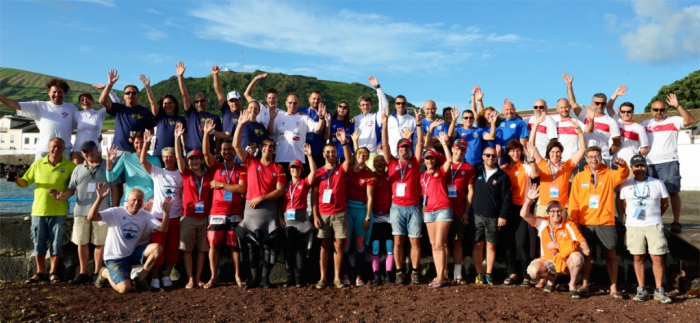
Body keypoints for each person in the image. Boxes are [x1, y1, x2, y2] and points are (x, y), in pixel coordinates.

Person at [8, 137, 76, 284]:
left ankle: (53, 272)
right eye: (53, 146)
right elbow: (25, 182)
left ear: (64, 149)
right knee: (38, 243)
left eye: (59, 147)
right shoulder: (38, 164)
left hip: (59, 211)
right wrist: (15, 179)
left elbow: (73, 188)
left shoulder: (70, 166)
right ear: (48, 147)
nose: (56, 149)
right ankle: (40, 272)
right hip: (39, 211)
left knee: (56, 243)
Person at [232, 110, 286, 289]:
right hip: (251, 211)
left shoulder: (279, 168)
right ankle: (254, 278)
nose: (268, 149)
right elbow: (236, 146)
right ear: (261, 148)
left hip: (268, 210)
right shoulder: (251, 162)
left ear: (273, 150)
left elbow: (279, 191)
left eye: (271, 147)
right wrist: (240, 125)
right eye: (266, 146)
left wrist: (261, 197)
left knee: (269, 248)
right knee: (251, 248)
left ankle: (265, 279)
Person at [569, 146, 629, 298]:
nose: (594, 159)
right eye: (590, 156)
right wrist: (574, 221)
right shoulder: (579, 177)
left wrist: (622, 165)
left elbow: (624, 174)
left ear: (601, 158)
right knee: (586, 255)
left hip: (605, 222)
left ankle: (613, 287)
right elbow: (574, 201)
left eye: (596, 156)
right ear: (586, 159)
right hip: (585, 223)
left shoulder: (609, 174)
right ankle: (584, 284)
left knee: (610, 255)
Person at [48, 140, 111, 285]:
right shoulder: (77, 169)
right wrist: (60, 196)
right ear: (82, 153)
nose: (89, 153)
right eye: (85, 152)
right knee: (82, 242)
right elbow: (71, 189)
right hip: (81, 211)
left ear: (97, 148)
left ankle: (97, 273)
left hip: (102, 212)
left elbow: (115, 186)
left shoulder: (108, 165)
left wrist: (114, 208)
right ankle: (83, 272)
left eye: (91, 150)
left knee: (99, 243)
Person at [90, 183, 172, 293]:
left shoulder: (144, 215)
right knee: (124, 289)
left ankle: (140, 279)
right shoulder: (115, 212)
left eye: (139, 201)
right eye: (134, 200)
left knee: (157, 248)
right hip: (114, 258)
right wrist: (100, 198)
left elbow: (163, 229)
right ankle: (105, 272)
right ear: (127, 200)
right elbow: (91, 217)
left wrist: (166, 212)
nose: (136, 203)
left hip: (131, 254)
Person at [98, 69, 157, 207]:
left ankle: (139, 205)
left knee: (136, 181)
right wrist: (110, 84)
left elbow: (151, 131)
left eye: (133, 93)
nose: (131, 95)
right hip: (119, 151)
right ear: (124, 96)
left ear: (138, 96)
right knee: (116, 182)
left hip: (136, 153)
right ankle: (116, 209)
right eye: (128, 93)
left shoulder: (144, 111)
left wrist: (141, 143)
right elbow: (102, 100)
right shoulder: (119, 108)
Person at [520, 185, 590, 298]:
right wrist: (529, 199)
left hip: (566, 261)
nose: (556, 214)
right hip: (550, 262)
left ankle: (572, 285)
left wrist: (559, 245)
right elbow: (523, 214)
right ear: (548, 212)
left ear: (562, 212)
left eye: (558, 211)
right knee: (532, 272)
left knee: (577, 257)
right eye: (552, 211)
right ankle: (551, 279)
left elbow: (586, 250)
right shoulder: (542, 223)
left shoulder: (569, 225)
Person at [380, 108, 425, 285]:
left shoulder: (415, 162)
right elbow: (384, 145)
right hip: (397, 207)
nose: (404, 149)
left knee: (415, 241)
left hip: (413, 206)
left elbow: (420, 143)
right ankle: (399, 272)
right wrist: (384, 125)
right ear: (398, 149)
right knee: (398, 240)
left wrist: (419, 124)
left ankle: (415, 271)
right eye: (401, 147)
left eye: (406, 147)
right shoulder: (391, 162)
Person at [620, 155, 672, 303]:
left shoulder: (658, 183)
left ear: (646, 167)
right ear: (632, 168)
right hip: (634, 225)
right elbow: (624, 204)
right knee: (638, 257)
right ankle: (641, 289)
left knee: (657, 257)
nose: (639, 169)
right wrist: (631, 217)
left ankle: (659, 290)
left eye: (642, 165)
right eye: (636, 166)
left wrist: (655, 215)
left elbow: (665, 203)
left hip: (653, 224)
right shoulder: (626, 185)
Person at [202, 119, 247, 288]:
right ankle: (214, 277)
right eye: (224, 150)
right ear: (220, 152)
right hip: (216, 213)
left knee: (235, 246)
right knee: (214, 244)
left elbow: (241, 189)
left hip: (235, 212)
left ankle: (237, 276)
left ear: (234, 152)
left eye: (229, 149)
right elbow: (206, 154)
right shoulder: (217, 166)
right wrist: (206, 134)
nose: (227, 152)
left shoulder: (241, 169)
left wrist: (221, 185)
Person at [641, 93, 695, 234]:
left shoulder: (674, 120)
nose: (659, 112)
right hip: (649, 164)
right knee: (651, 194)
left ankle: (676, 221)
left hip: (669, 162)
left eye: (662, 110)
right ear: (651, 110)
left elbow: (690, 120)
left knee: (672, 192)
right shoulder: (645, 124)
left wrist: (677, 105)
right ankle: (654, 220)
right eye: (656, 110)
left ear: (666, 110)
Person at [140, 130, 184, 289]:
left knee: (172, 247)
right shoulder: (157, 172)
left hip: (175, 216)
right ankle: (155, 276)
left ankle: (167, 276)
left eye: (171, 156)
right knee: (158, 246)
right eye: (166, 156)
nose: (168, 158)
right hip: (158, 216)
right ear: (163, 158)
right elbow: (142, 161)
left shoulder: (180, 174)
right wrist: (146, 143)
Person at [312, 127, 353, 289]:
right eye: (327, 152)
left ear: (337, 154)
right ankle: (323, 278)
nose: (330, 154)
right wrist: (315, 216)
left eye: (333, 152)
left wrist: (344, 143)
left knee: (339, 246)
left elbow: (349, 161)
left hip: (340, 213)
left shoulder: (341, 169)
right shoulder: (318, 173)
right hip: (323, 214)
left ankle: (337, 277)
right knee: (324, 246)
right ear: (323, 154)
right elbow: (314, 197)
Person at [174, 123, 213, 289]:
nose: (194, 161)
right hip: (188, 216)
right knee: (188, 249)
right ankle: (190, 278)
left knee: (203, 249)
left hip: (204, 217)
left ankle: (198, 278)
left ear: (201, 159)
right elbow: (178, 158)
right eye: (191, 159)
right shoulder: (186, 173)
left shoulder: (209, 175)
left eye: (196, 158)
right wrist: (177, 138)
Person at [0, 78, 77, 160]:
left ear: (65, 94)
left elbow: (82, 124)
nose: (57, 94)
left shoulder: (71, 108)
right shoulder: (39, 106)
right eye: (54, 92)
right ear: (49, 93)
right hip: (44, 150)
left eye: (60, 92)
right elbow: (14, 105)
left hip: (64, 150)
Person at [529, 111, 587, 215]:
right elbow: (531, 145)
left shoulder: (567, 165)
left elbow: (582, 150)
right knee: (543, 232)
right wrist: (536, 124)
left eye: (558, 152)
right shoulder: (542, 164)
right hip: (543, 206)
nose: (555, 155)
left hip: (561, 207)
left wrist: (579, 131)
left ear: (561, 153)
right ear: (548, 153)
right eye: (552, 152)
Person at [470, 146, 512, 285]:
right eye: (487, 155)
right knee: (477, 244)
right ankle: (478, 274)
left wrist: (503, 215)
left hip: (493, 215)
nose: (490, 158)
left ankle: (489, 274)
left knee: (491, 245)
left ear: (496, 157)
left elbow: (506, 197)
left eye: (493, 156)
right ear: (483, 156)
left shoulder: (502, 176)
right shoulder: (475, 171)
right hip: (477, 214)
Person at [500, 140, 539, 286]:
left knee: (522, 243)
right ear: (508, 153)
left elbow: (535, 174)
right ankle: (512, 273)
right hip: (507, 209)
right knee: (508, 243)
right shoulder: (503, 169)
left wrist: (532, 159)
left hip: (522, 208)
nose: (515, 153)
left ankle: (526, 275)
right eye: (512, 151)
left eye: (518, 151)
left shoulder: (526, 167)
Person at [420, 133, 454, 288]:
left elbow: (450, 160)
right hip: (429, 211)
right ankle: (440, 273)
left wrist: (444, 144)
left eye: (432, 158)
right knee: (434, 244)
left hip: (442, 209)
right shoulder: (422, 176)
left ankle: (441, 277)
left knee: (440, 244)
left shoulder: (440, 172)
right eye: (427, 158)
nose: (429, 161)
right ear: (424, 161)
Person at [340, 142, 375, 287]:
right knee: (346, 244)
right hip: (347, 209)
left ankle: (359, 275)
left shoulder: (369, 174)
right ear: (355, 155)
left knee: (360, 244)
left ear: (367, 158)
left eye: (364, 154)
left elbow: (370, 198)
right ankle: (345, 274)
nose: (361, 156)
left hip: (361, 210)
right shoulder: (346, 170)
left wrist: (367, 217)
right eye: (359, 153)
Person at [280, 146, 316, 288]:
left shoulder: (304, 183)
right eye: (293, 168)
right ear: (289, 170)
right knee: (288, 251)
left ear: (301, 170)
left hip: (300, 220)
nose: (295, 170)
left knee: (299, 251)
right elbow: (279, 202)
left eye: (298, 168)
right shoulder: (284, 185)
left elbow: (314, 172)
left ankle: (299, 279)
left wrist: (309, 156)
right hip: (286, 220)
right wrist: (279, 217)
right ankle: (289, 279)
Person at [442, 136, 475, 284]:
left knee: (457, 243)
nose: (459, 152)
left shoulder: (469, 168)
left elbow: (470, 191)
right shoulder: (444, 163)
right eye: (457, 149)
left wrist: (467, 212)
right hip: (442, 208)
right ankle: (443, 272)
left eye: (463, 150)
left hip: (458, 209)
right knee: (443, 242)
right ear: (452, 148)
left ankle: (458, 274)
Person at [267, 93, 325, 176]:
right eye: (290, 103)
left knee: (297, 187)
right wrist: (272, 119)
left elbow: (318, 129)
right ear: (286, 103)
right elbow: (270, 132)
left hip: (298, 160)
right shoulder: (278, 117)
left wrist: (321, 118)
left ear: (298, 104)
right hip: (281, 159)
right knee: (281, 187)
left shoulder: (304, 118)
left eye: (295, 103)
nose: (292, 105)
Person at [175, 61, 225, 154]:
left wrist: (217, 154)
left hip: (209, 155)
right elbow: (184, 95)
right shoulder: (191, 114)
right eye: (197, 101)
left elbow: (218, 138)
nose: (199, 103)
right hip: (192, 154)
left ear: (206, 101)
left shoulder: (214, 118)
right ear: (194, 104)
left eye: (202, 101)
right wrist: (180, 77)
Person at [140, 74, 187, 163]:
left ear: (175, 104)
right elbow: (153, 103)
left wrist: (186, 153)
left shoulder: (181, 119)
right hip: (158, 155)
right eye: (165, 103)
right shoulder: (160, 117)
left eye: (170, 103)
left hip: (176, 155)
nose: (167, 105)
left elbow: (185, 138)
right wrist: (147, 87)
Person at [105, 133, 162, 205]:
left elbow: (160, 184)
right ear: (133, 144)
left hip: (148, 202)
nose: (139, 145)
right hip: (130, 201)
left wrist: (152, 201)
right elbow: (110, 178)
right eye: (137, 142)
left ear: (147, 143)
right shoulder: (125, 158)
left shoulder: (155, 160)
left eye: (142, 142)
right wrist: (108, 163)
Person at [366, 153, 394, 285]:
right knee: (375, 245)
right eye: (377, 161)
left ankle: (388, 275)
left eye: (382, 160)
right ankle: (376, 275)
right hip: (375, 217)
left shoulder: (390, 177)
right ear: (373, 164)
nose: (380, 162)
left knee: (389, 245)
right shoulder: (370, 177)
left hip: (389, 217)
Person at [373, 76, 414, 159]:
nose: (400, 105)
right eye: (398, 103)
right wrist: (380, 143)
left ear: (406, 105)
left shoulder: (412, 120)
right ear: (395, 105)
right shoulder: (389, 119)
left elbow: (416, 140)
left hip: (407, 157)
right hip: (391, 157)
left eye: (403, 103)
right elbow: (382, 135)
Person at [354, 76, 389, 168]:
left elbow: (384, 106)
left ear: (371, 105)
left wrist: (378, 88)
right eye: (363, 105)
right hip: (358, 155)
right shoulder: (355, 119)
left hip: (372, 154)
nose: (365, 107)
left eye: (367, 104)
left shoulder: (376, 117)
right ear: (359, 106)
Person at [70, 92, 109, 164]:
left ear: (93, 101)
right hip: (78, 149)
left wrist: (108, 86)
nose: (85, 101)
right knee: (77, 173)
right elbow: (70, 128)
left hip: (95, 150)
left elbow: (116, 102)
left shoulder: (100, 114)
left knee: (96, 174)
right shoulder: (77, 114)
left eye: (87, 99)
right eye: (82, 100)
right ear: (80, 103)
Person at [298, 91, 327, 168]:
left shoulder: (327, 113)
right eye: (314, 98)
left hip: (319, 151)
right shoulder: (300, 111)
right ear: (309, 99)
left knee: (318, 176)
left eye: (318, 99)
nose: (316, 101)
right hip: (302, 151)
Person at [496, 98, 528, 165]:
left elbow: (523, 143)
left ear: (515, 110)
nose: (509, 111)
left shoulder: (520, 123)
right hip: (502, 158)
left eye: (511, 109)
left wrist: (521, 157)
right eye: (507, 109)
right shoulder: (499, 122)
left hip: (514, 157)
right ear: (503, 111)